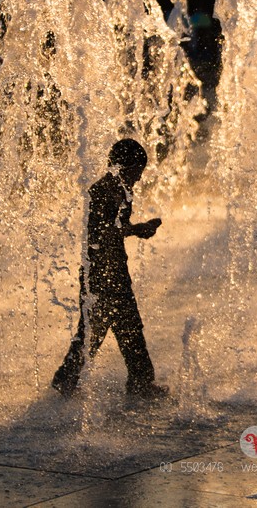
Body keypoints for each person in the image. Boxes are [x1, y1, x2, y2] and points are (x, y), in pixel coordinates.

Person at [52, 138, 167, 399]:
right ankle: (68, 378)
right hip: (99, 273)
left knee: (125, 328)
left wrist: (136, 230)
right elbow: (103, 233)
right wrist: (137, 230)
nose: (138, 178)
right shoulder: (101, 191)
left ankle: (139, 382)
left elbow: (115, 230)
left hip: (114, 270)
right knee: (96, 329)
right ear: (121, 167)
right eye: (136, 171)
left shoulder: (122, 191)